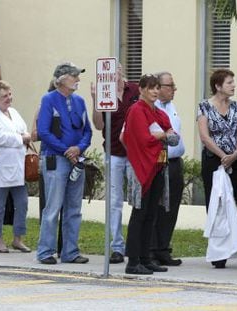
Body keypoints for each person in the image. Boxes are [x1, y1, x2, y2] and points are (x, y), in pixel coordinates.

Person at [197, 69, 237, 269]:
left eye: (233, 82)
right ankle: (219, 256)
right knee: (217, 207)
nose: (233, 85)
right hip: (214, 161)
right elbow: (205, 137)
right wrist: (222, 155)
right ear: (218, 86)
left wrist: (234, 154)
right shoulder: (204, 107)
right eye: (229, 82)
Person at [36, 62, 92, 264]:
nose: (78, 79)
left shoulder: (80, 101)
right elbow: (43, 131)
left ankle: (70, 251)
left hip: (76, 159)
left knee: (74, 208)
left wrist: (79, 148)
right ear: (60, 79)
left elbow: (87, 131)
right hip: (56, 159)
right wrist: (65, 150)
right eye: (73, 76)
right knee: (53, 207)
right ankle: (45, 251)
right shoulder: (49, 99)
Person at [122, 74, 175, 275]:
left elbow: (171, 130)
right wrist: (164, 134)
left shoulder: (157, 112)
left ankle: (146, 258)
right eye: (150, 88)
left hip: (158, 166)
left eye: (156, 88)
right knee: (140, 214)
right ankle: (133, 261)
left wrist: (164, 134)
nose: (154, 91)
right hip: (141, 167)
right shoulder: (136, 110)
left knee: (151, 214)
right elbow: (144, 137)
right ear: (142, 89)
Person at [91, 63, 139, 264]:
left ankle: (137, 244)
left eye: (116, 70)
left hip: (135, 152)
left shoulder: (135, 90)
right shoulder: (105, 93)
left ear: (121, 71)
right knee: (114, 200)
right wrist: (95, 101)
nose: (113, 75)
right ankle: (117, 246)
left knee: (138, 198)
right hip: (114, 152)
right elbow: (99, 125)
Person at [0, 80, 31, 253]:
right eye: (4, 96)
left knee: (22, 203)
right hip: (2, 166)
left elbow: (25, 130)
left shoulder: (13, 112)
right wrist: (20, 138)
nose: (9, 99)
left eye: (9, 94)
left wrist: (23, 136)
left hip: (19, 164)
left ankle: (18, 238)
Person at [150, 71, 185, 266]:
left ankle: (163, 248)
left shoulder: (171, 106)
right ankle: (152, 250)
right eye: (170, 86)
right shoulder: (150, 108)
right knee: (156, 207)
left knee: (171, 208)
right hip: (158, 163)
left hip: (174, 162)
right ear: (158, 87)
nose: (174, 89)